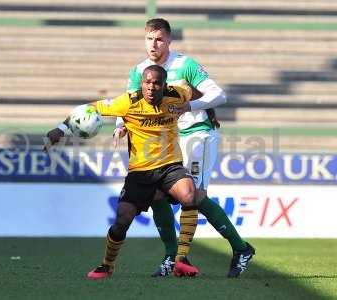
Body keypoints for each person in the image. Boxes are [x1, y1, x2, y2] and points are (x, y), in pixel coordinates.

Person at [46, 65, 244, 280]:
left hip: (170, 165)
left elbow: (196, 92)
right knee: (121, 222)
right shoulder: (128, 102)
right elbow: (90, 108)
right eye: (147, 82)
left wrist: (206, 112)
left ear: (164, 85)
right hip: (140, 172)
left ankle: (180, 259)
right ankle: (107, 265)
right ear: (142, 83)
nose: (151, 87)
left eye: (156, 83)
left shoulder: (176, 95)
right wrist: (60, 130)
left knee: (190, 195)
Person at [113, 18, 254, 278]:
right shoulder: (139, 71)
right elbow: (128, 104)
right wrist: (121, 125)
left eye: (159, 39)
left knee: (194, 195)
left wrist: (190, 106)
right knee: (155, 193)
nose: (153, 44)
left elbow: (219, 95)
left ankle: (237, 249)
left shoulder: (185, 65)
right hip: (168, 141)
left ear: (169, 40)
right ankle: (173, 256)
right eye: (149, 39)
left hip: (198, 134)